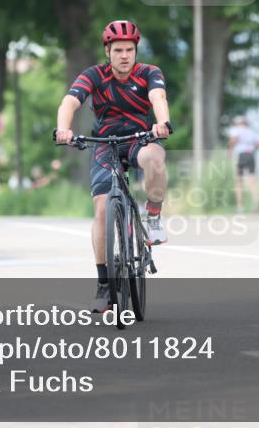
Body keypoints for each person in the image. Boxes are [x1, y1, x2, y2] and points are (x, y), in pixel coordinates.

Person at [54, 19, 173, 313]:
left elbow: (158, 97)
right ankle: (104, 285)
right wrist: (63, 129)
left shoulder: (149, 73)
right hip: (104, 144)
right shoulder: (94, 75)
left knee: (155, 158)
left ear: (136, 51)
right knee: (102, 211)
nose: (124, 55)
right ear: (108, 51)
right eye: (118, 50)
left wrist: (162, 122)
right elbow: (69, 102)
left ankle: (153, 216)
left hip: (139, 139)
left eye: (129, 50)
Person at [228, 116, 259, 212]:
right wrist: (249, 143)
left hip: (242, 155)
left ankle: (240, 206)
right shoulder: (252, 132)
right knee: (252, 181)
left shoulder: (236, 130)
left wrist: (230, 149)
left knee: (239, 181)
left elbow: (233, 140)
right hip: (251, 155)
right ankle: (256, 204)